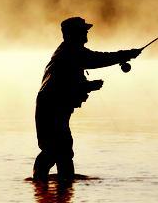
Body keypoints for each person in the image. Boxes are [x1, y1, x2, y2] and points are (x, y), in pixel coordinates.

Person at [33, 16, 141, 181]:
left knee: (62, 150)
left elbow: (67, 81)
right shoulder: (71, 51)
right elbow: (95, 60)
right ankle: (43, 185)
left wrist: (87, 86)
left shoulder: (69, 51)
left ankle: (60, 188)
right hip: (51, 107)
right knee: (55, 150)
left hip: (53, 106)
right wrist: (124, 55)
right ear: (72, 34)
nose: (86, 33)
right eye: (83, 31)